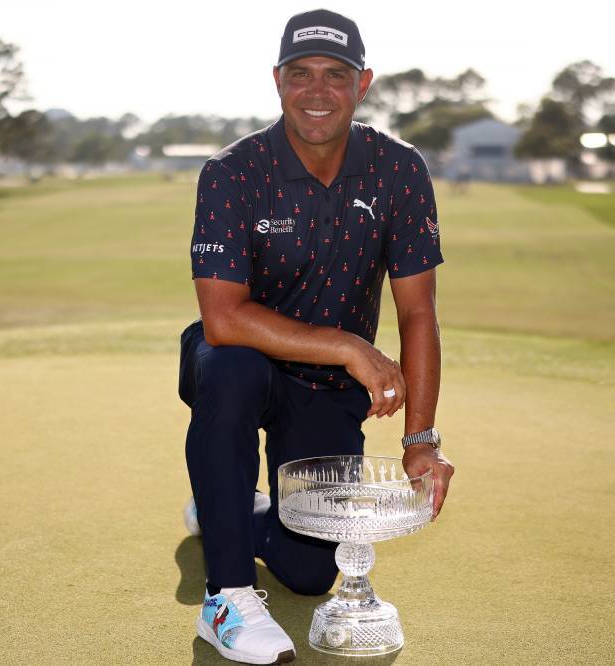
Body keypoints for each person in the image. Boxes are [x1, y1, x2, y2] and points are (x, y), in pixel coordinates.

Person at [178, 9, 454, 664]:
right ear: (278, 80)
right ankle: (226, 598)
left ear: (364, 83)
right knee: (231, 367)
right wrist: (350, 346)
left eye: (336, 74)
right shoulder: (231, 171)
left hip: (329, 391)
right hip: (242, 361)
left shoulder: (399, 170)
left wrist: (420, 439)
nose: (317, 90)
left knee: (309, 572)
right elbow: (223, 318)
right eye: (300, 74)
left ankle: (225, 509)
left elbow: (418, 313)